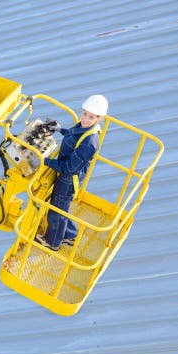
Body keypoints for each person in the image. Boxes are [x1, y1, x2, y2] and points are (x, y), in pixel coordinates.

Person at [35, 94, 108, 251]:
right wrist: (59, 129)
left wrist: (44, 160)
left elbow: (68, 168)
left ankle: (53, 242)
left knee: (57, 209)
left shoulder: (90, 143)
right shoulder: (84, 127)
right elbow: (73, 135)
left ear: (98, 118)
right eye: (85, 114)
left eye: (91, 117)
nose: (86, 119)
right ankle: (70, 235)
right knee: (63, 206)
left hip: (68, 179)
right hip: (69, 175)